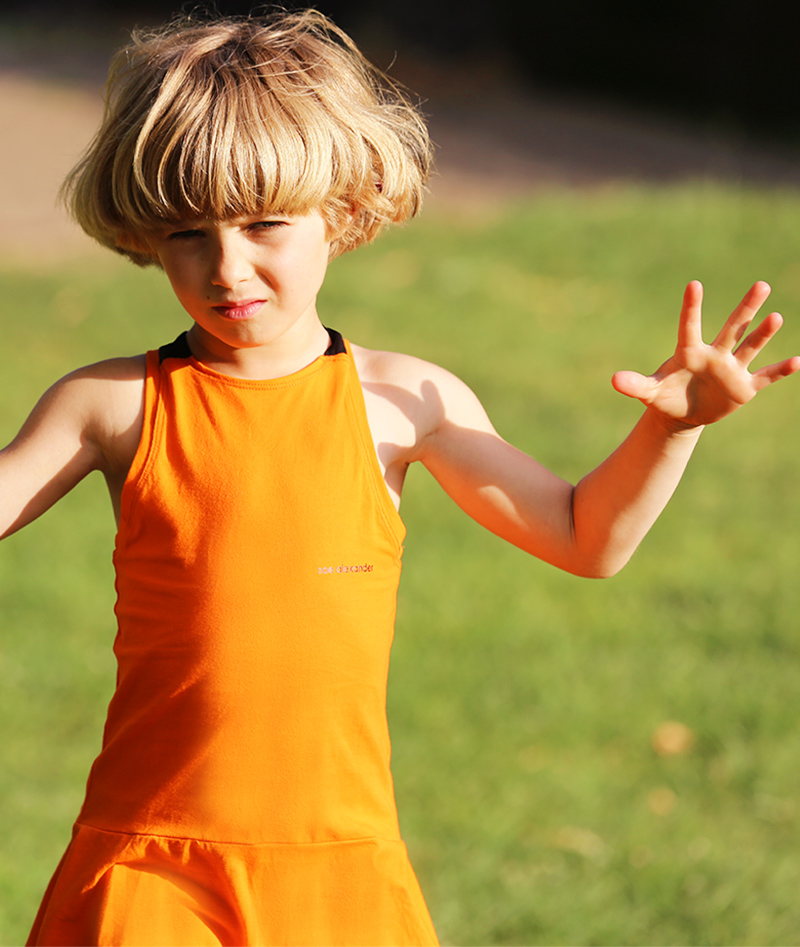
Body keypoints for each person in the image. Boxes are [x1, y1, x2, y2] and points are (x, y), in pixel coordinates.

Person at [3, 9, 797, 947]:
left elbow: (589, 539)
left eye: (265, 223)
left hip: (339, 868)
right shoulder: (111, 403)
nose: (228, 266)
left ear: (339, 212)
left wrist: (672, 428)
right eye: (187, 233)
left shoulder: (403, 402)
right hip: (152, 868)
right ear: (146, 232)